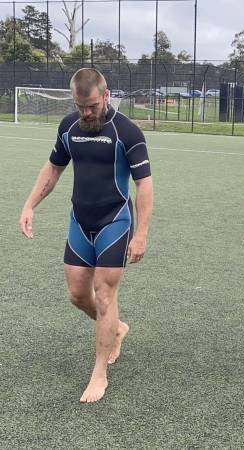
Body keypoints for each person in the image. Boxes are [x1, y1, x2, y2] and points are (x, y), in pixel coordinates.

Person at [19, 68, 153, 403]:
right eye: (80, 106)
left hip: (115, 221)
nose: (86, 113)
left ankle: (99, 374)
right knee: (79, 295)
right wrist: (29, 204)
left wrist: (141, 234)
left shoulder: (127, 132)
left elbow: (144, 185)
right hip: (79, 220)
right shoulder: (68, 127)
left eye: (91, 105)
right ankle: (117, 327)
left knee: (105, 296)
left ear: (105, 95)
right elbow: (53, 168)